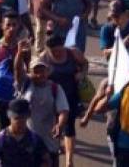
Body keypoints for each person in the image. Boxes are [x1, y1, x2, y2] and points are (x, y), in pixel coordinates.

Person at [40, 32, 88, 167]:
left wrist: (82, 74)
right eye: (54, 52)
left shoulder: (73, 53)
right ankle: (56, 146)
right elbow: (36, 76)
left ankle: (69, 161)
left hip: (70, 96)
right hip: (52, 97)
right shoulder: (44, 58)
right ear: (48, 50)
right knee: (54, 126)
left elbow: (85, 64)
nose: (58, 54)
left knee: (69, 126)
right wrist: (43, 75)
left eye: (60, 50)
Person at [16, 56, 70, 167]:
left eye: (42, 71)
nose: (40, 75)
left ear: (47, 72)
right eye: (36, 72)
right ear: (30, 73)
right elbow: (17, 70)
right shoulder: (25, 86)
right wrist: (20, 54)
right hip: (28, 143)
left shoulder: (55, 88)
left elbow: (63, 111)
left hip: (49, 143)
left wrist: (60, 125)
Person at [0, 98, 51, 167]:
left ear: (27, 117)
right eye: (16, 118)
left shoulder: (35, 139)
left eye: (22, 118)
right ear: (9, 117)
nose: (19, 122)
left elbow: (46, 160)